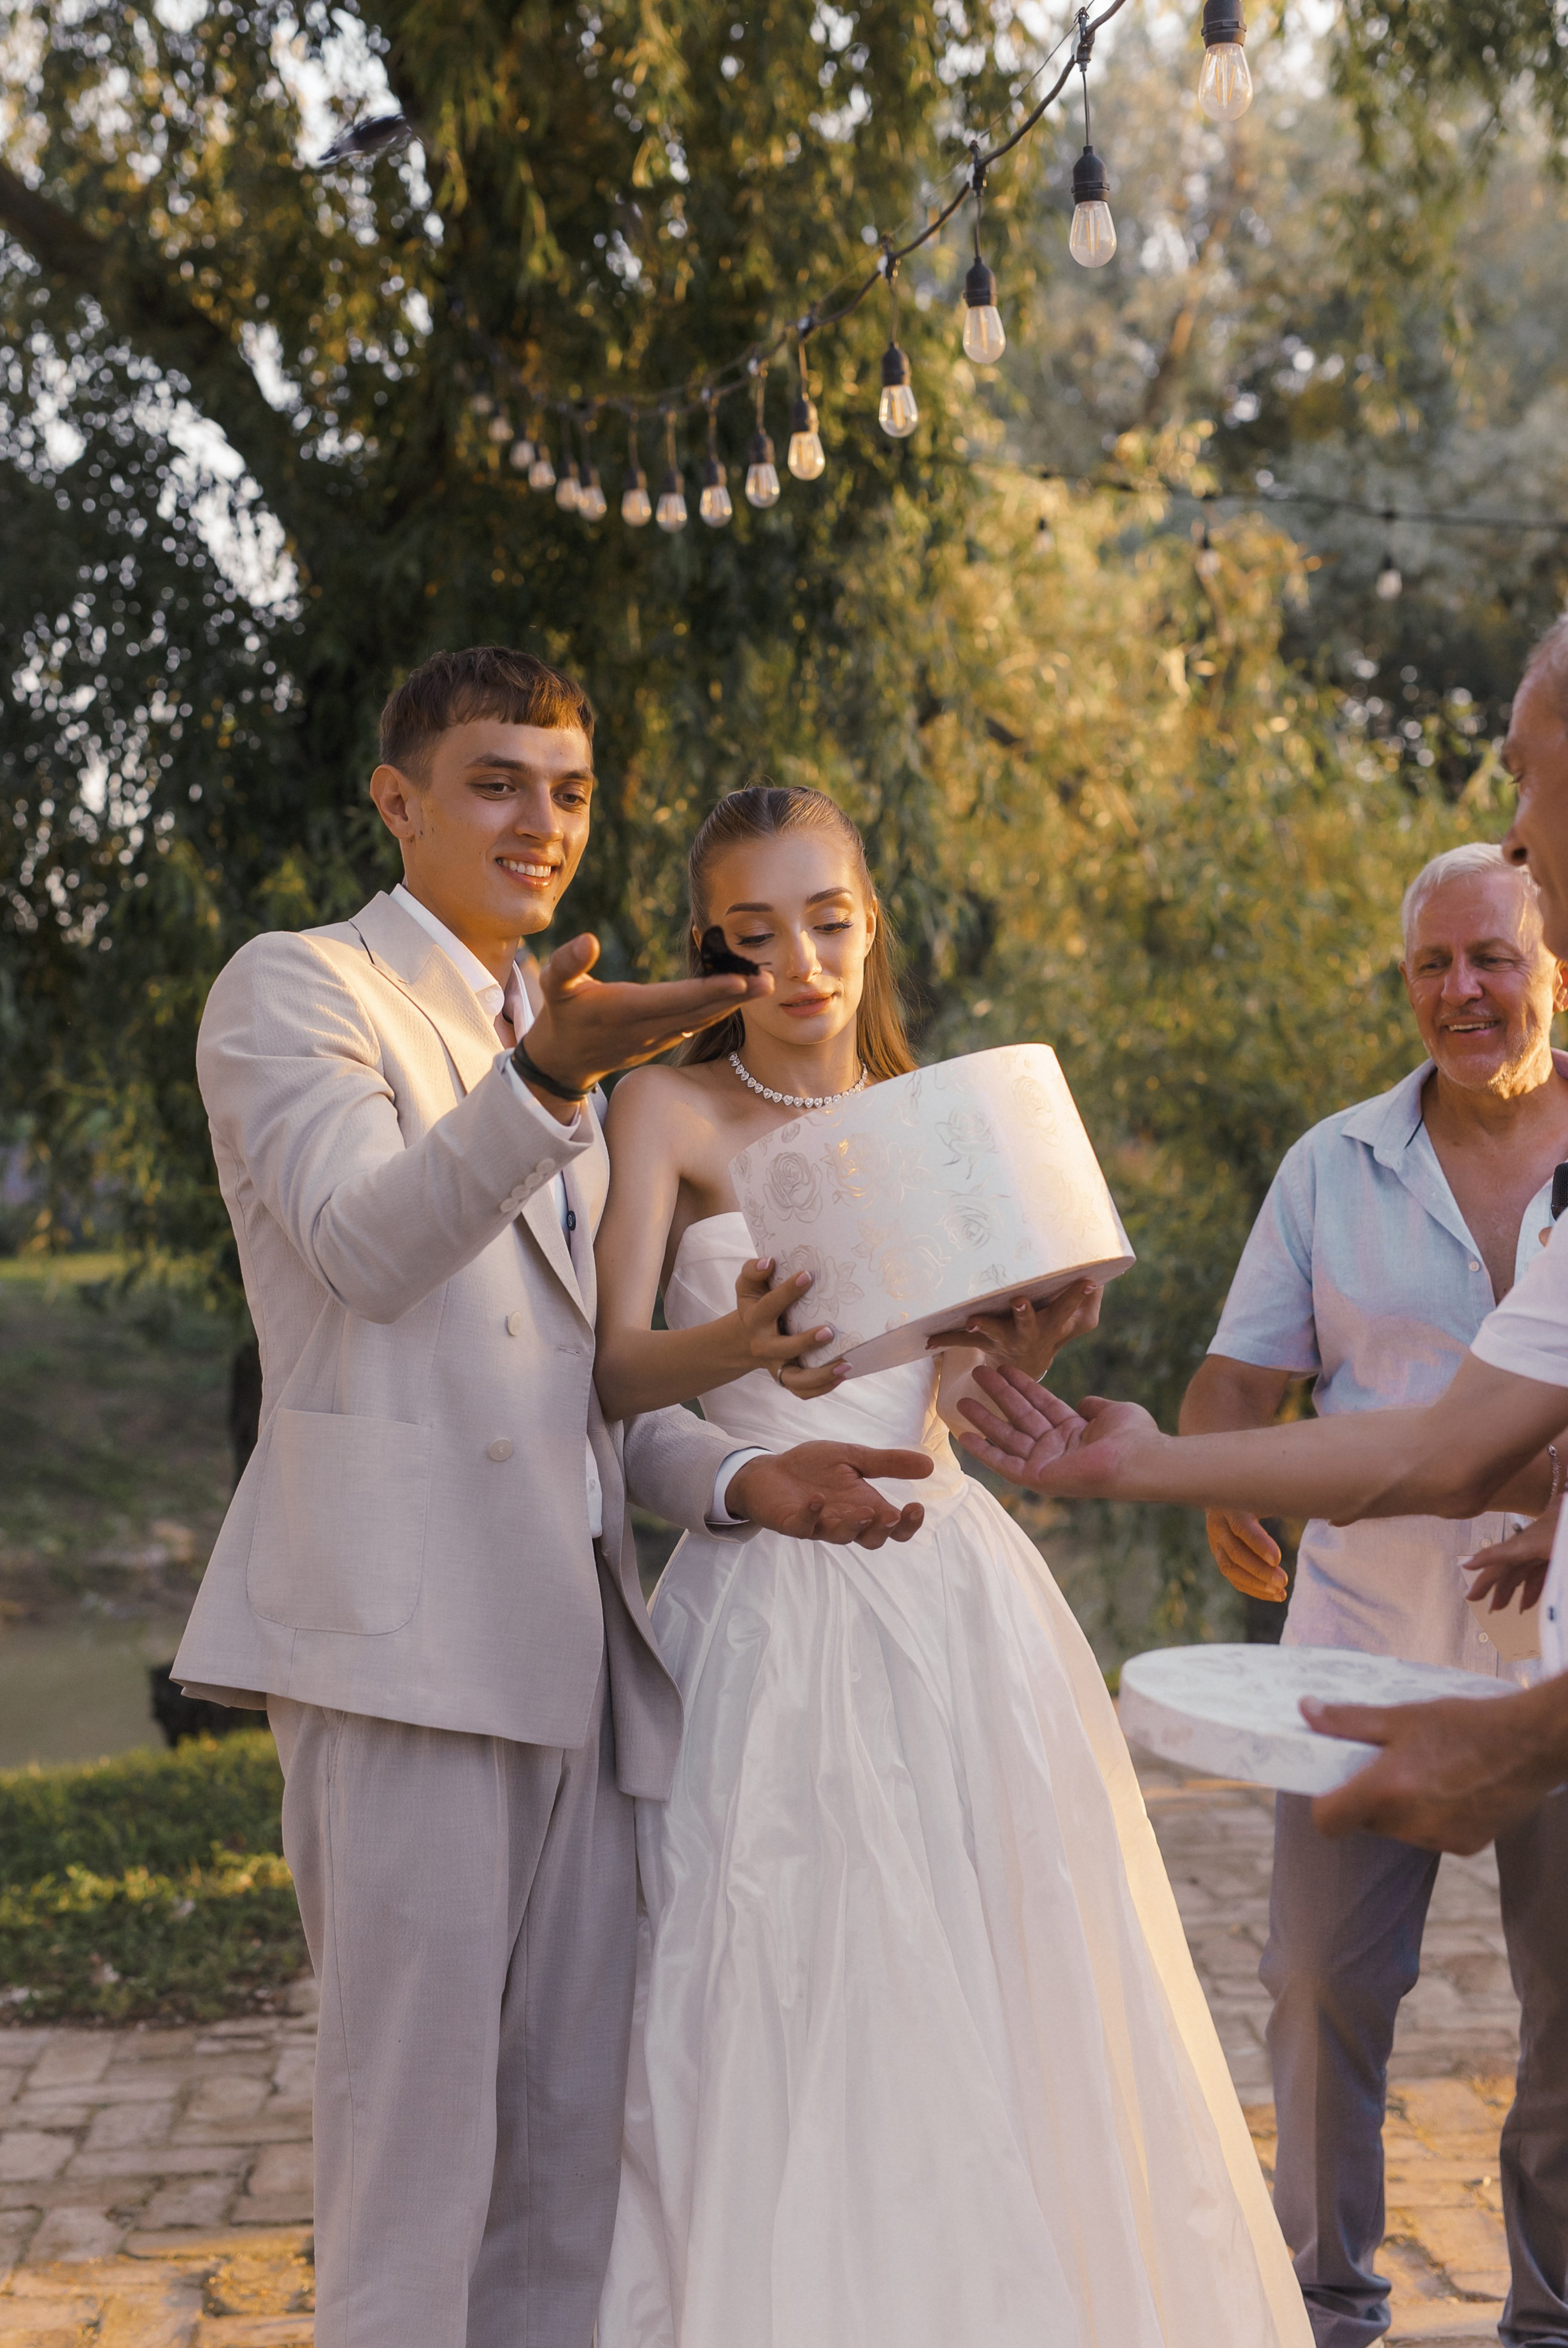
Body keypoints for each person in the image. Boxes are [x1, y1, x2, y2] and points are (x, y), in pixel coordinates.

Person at [171, 650, 935, 2348]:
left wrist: (754, 1473)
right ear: (401, 800)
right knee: (413, 2171)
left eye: (570, 789)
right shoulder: (304, 991)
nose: (540, 820)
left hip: (585, 1666)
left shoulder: (556, 1042)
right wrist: (541, 1087)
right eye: (497, 779)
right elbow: (369, 1248)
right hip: (402, 1655)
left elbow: (588, 1400)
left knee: (570, 2175)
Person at [590, 785, 1314, 2348]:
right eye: (757, 932)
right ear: (712, 944)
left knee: (1022, 1983)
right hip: (763, 1598)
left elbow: (970, 1382)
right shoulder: (664, 1111)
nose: (801, 963)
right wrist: (748, 1386)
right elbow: (611, 1382)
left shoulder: (945, 1122)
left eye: (830, 921)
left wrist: (1029, 1327)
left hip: (952, 1590)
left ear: (871, 920)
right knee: (784, 1987)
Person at [953, 580, 1568, 1954]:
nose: (1512, 823)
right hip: (1387, 1652)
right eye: (1428, 964)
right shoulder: (1343, 1163)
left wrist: (1534, 1724)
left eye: (1517, 771)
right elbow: (1436, 1451)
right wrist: (1135, 1463)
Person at [1181, 841, 1568, 2348]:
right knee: (1315, 1987)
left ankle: (1552, 2317)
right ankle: (1327, 2308)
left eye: (1489, 958)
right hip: (1358, 1650)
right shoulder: (1328, 1167)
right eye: (1430, 964)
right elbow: (1235, 1380)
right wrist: (1226, 1472)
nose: (1458, 990)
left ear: (1558, 974)